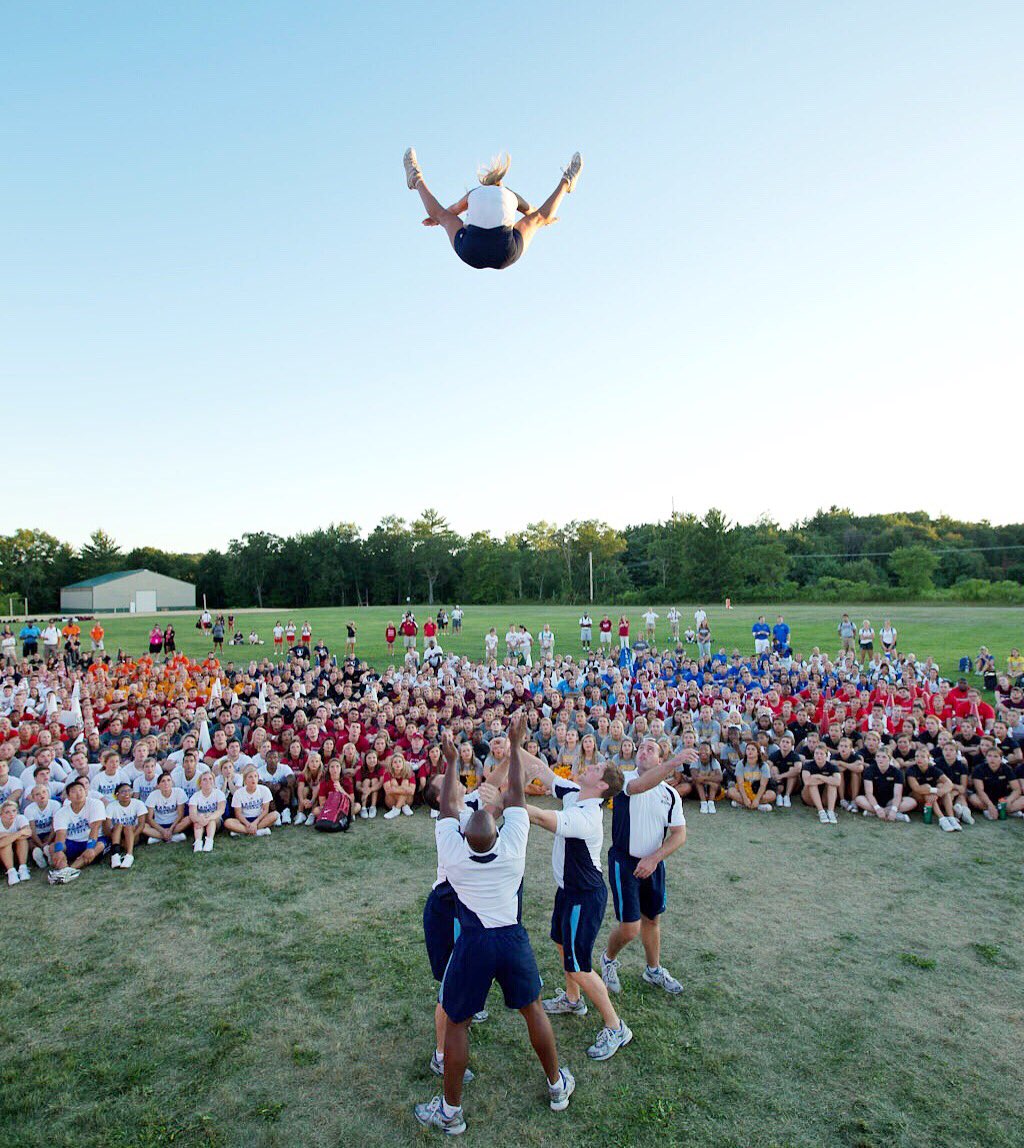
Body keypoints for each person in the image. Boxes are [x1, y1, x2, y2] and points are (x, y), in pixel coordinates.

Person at [415, 716, 573, 1135]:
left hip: (474, 942)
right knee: (532, 1009)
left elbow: (449, 807)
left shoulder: (451, 852)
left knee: (458, 1021)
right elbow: (517, 794)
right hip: (512, 938)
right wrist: (520, 743)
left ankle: (451, 1113)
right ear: (497, 833)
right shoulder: (514, 847)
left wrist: (451, 763)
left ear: (464, 835)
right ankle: (557, 1085)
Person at [524, 751, 632, 1062]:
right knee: (560, 942)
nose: (589, 766)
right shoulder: (575, 792)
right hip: (568, 892)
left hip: (583, 898)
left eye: (596, 768)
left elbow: (543, 817)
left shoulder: (586, 816)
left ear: (600, 786)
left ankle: (616, 1026)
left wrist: (509, 802)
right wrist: (515, 745)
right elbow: (543, 771)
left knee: (578, 966)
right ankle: (573, 1000)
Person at [599, 739, 693, 996]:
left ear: (660, 760)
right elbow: (640, 786)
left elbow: (679, 834)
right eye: (641, 747)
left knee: (652, 919)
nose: (643, 751)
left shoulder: (670, 794)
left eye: (651, 750)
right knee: (630, 927)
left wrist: (654, 858)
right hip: (624, 860)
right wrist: (675, 763)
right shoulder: (623, 780)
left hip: (653, 863)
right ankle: (608, 960)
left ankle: (653, 969)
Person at [404, 147, 583, 272]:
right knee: (539, 218)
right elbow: (534, 213)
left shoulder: (474, 193)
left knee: (442, 215)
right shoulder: (510, 194)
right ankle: (567, 180)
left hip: (471, 249)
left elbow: (451, 211)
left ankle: (415, 178)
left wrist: (438, 218)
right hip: (505, 250)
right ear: (499, 183)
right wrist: (547, 219)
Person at [48, 779, 108, 883]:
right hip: (73, 842)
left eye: (81, 790)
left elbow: (95, 827)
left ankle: (69, 871)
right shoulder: (61, 813)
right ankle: (64, 870)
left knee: (99, 846)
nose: (78, 793)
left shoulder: (96, 804)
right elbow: (60, 834)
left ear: (86, 792)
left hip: (93, 839)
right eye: (74, 791)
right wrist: (59, 851)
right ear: (68, 797)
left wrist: (90, 847)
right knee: (53, 848)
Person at [224, 765, 277, 837]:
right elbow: (238, 814)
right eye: (250, 777)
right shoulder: (238, 793)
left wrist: (255, 823)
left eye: (255, 776)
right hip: (244, 820)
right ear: (245, 780)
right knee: (228, 822)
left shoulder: (264, 790)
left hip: (259, 818)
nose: (253, 779)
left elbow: (265, 810)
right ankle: (258, 831)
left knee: (275, 815)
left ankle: (243, 831)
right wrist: (248, 824)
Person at [104, 782, 148, 868]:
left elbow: (141, 825)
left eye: (129, 790)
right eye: (123, 791)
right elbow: (106, 828)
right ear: (117, 795)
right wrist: (116, 839)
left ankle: (129, 855)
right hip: (117, 837)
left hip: (133, 834)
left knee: (128, 827)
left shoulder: (138, 803)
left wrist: (131, 838)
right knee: (118, 825)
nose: (127, 793)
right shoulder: (111, 806)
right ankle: (115, 855)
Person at [142, 772, 188, 845]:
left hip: (175, 824)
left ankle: (158, 838)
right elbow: (149, 818)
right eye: (163, 781)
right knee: (143, 826)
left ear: (172, 783)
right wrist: (162, 831)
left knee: (188, 819)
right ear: (158, 785)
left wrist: (171, 829)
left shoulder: (179, 792)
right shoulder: (153, 795)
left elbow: (180, 814)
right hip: (159, 824)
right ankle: (172, 837)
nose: (166, 783)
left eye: (168, 780)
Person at [800, 745, 841, 824]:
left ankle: (830, 811)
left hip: (825, 798)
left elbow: (837, 782)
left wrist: (819, 776)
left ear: (826, 756)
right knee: (812, 784)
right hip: (809, 797)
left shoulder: (832, 767)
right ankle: (821, 811)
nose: (819, 756)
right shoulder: (808, 765)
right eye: (816, 753)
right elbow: (807, 781)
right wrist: (828, 779)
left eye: (821, 754)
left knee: (832, 785)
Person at [187, 770, 226, 852]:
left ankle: (209, 841)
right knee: (197, 820)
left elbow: (221, 810)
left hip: (215, 821)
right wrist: (200, 819)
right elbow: (192, 814)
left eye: (210, 779)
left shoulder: (219, 793)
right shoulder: (195, 796)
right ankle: (198, 842)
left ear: (213, 781)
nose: (208, 781)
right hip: (200, 823)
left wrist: (208, 818)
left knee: (211, 820)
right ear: (200, 783)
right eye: (204, 779)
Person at [0, 799, 31, 885]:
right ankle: (11, 872)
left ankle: (23, 868)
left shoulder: (20, 818)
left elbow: (28, 832)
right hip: (3, 854)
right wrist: (20, 832)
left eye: (14, 811)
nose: (12, 814)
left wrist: (7, 835)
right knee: (5, 844)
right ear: (1, 814)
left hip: (18, 849)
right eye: (7, 812)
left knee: (22, 841)